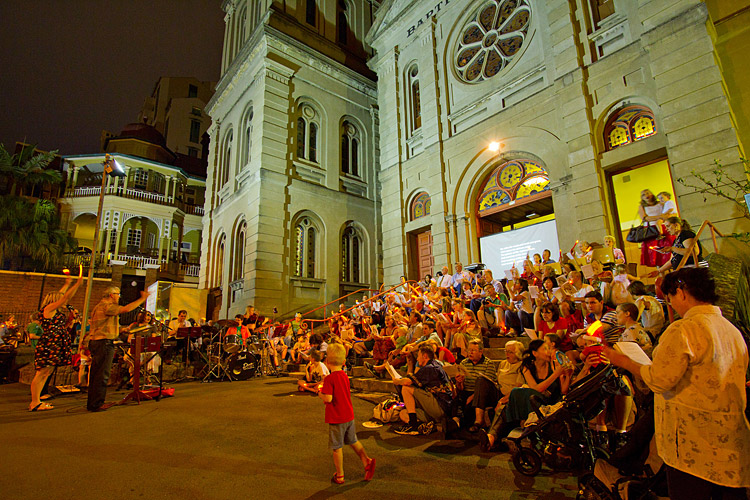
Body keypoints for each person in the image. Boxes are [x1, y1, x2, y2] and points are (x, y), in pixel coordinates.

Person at [605, 268, 750, 499]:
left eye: (670, 299)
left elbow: (659, 380)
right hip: (730, 440)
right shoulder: (731, 330)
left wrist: (622, 360)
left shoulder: (684, 329)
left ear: (681, 293)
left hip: (693, 443)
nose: (670, 305)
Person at [317, 343, 375, 484]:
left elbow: (329, 398)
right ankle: (366, 460)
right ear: (343, 362)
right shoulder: (344, 375)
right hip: (348, 415)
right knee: (353, 441)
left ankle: (340, 475)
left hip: (336, 417)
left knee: (337, 447)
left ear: (327, 361)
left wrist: (320, 393)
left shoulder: (330, 379)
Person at [29, 268, 84, 412]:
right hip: (50, 343)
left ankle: (37, 401)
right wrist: (77, 284)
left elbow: (62, 296)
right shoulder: (49, 309)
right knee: (42, 373)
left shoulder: (54, 311)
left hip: (56, 341)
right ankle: (35, 401)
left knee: (46, 373)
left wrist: (67, 282)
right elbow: (64, 298)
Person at [86, 286, 150, 412]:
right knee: (101, 375)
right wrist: (142, 298)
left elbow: (103, 325)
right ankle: (97, 403)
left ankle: (93, 402)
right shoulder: (107, 306)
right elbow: (126, 309)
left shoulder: (99, 307)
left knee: (96, 374)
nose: (119, 296)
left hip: (97, 341)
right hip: (103, 343)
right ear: (111, 295)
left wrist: (121, 330)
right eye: (117, 294)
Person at [392, 344, 452, 435]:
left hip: (440, 406)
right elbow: (413, 379)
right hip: (434, 409)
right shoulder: (433, 365)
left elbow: (407, 382)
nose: (417, 359)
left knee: (406, 389)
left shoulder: (430, 368)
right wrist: (409, 365)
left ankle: (413, 426)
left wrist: (396, 381)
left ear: (425, 356)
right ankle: (424, 426)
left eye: (419, 355)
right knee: (403, 413)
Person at [637, 189, 671, 267]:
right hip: (651, 229)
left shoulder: (660, 204)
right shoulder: (642, 206)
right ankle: (660, 272)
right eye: (643, 195)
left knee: (666, 249)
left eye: (647, 193)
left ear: (652, 194)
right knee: (655, 252)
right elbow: (644, 218)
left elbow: (667, 214)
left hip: (662, 227)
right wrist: (659, 216)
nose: (646, 195)